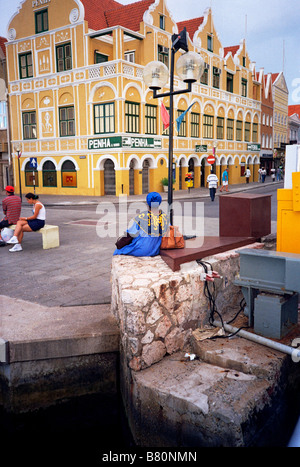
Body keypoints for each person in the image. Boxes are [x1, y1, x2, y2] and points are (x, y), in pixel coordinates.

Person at [113, 192, 168, 257]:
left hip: (142, 250)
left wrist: (120, 243)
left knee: (117, 251)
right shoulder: (165, 217)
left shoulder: (142, 216)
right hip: (156, 250)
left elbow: (130, 234)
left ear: (148, 203)